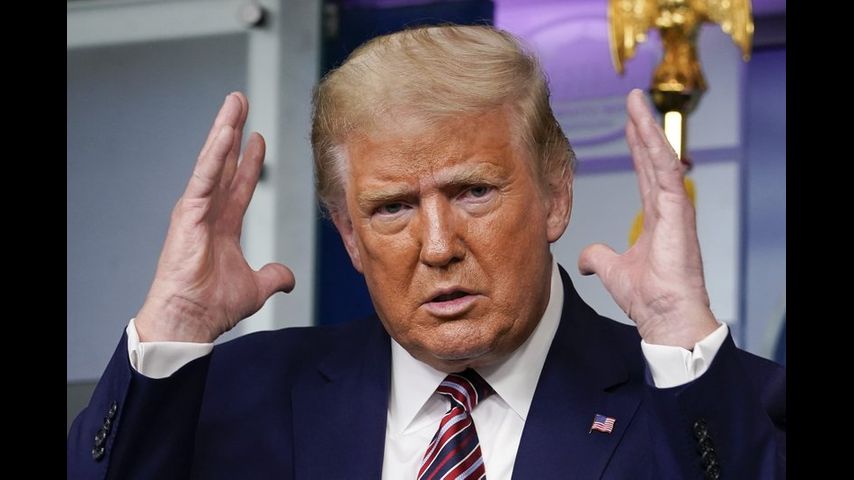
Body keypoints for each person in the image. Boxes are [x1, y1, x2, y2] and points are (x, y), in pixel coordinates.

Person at [67, 25, 785, 479]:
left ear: (556, 197)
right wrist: (176, 317)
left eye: (473, 191)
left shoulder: (717, 403)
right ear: (349, 235)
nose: (438, 248)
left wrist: (679, 334)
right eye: (392, 208)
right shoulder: (229, 395)